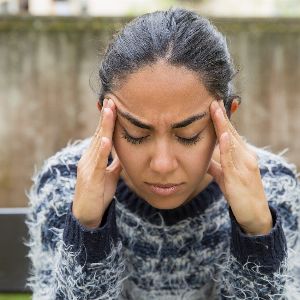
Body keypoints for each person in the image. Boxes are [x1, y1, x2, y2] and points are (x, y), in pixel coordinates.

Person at [25, 7, 300, 299]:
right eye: (136, 134)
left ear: (228, 118)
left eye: (188, 136)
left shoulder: (273, 187)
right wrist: (87, 229)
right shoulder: (63, 184)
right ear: (105, 116)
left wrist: (258, 232)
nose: (162, 164)